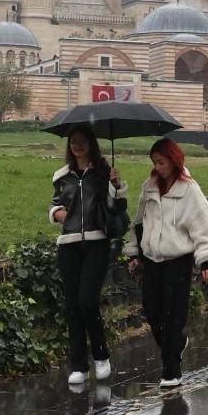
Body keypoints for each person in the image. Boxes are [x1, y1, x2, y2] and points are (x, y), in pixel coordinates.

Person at [124, 137, 208, 388]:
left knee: (173, 315)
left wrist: (206, 261)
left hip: (178, 260)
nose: (158, 167)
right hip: (152, 260)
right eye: (155, 162)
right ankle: (177, 344)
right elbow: (139, 222)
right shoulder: (149, 187)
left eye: (162, 161)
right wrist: (133, 253)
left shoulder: (189, 190)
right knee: (153, 312)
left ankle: (171, 370)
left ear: (173, 160)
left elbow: (203, 227)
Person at [50, 126, 126, 387]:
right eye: (74, 142)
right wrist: (58, 214)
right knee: (72, 306)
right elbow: (55, 203)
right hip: (69, 244)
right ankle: (78, 365)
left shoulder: (104, 173)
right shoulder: (62, 176)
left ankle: (101, 355)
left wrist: (116, 186)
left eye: (82, 142)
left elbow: (117, 208)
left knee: (86, 301)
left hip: (96, 243)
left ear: (91, 144)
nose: (77, 146)